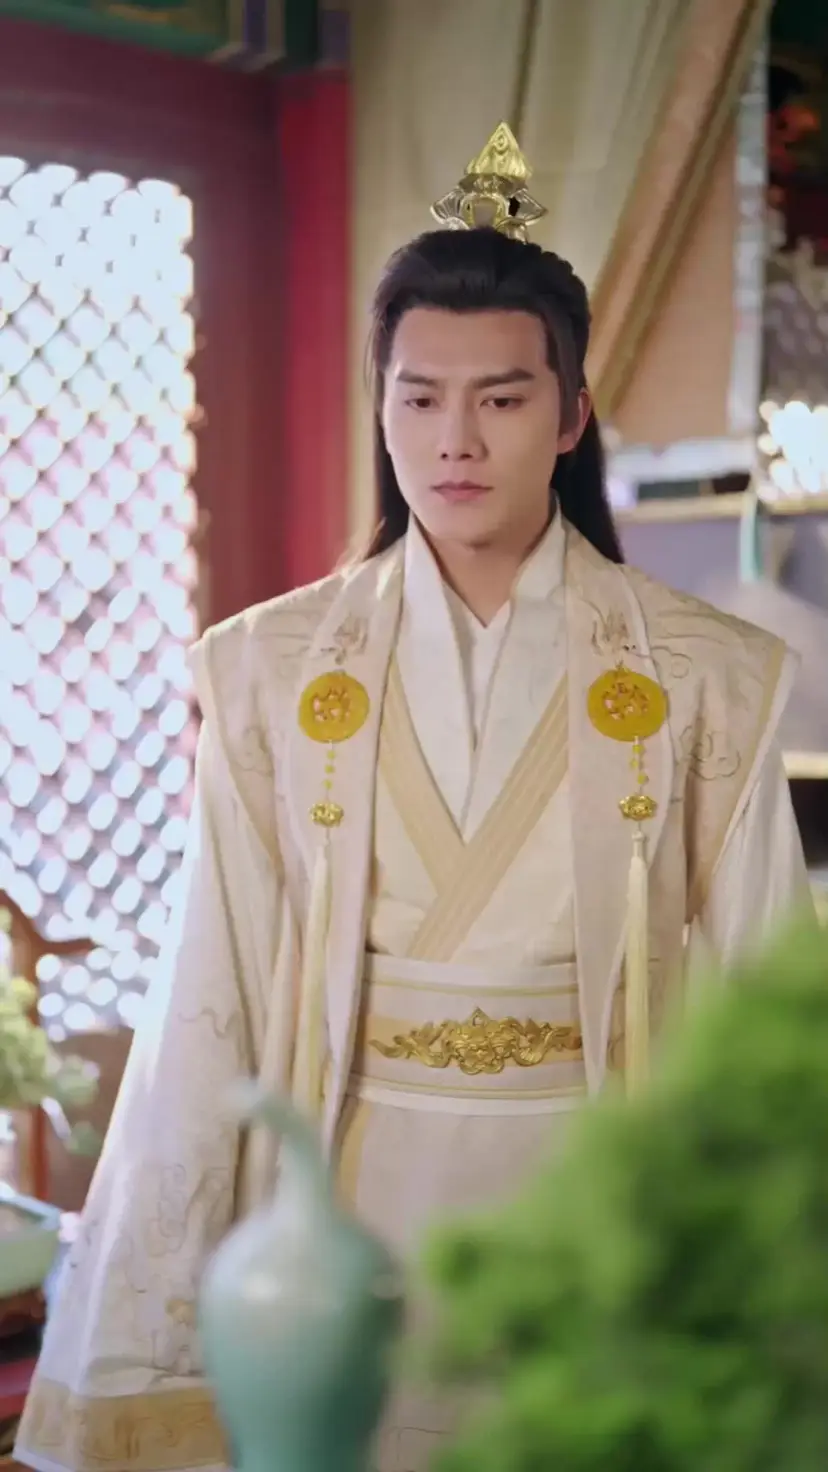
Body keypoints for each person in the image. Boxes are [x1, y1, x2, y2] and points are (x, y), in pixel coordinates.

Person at [16, 123, 812, 1472]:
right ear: (380, 409)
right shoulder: (270, 670)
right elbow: (212, 985)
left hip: (590, 1194)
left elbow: (767, 1005)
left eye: (501, 400)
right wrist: (159, 1307)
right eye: (420, 398)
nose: (455, 440)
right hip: (347, 1197)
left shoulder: (708, 677)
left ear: (570, 418)